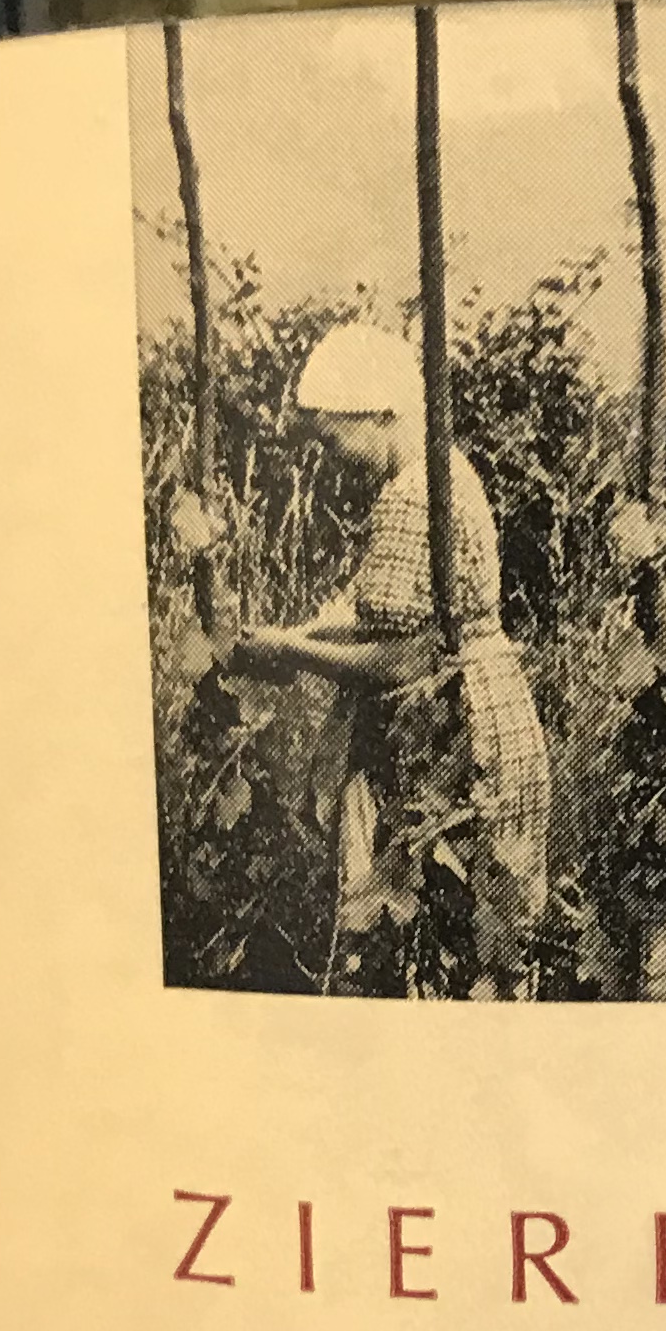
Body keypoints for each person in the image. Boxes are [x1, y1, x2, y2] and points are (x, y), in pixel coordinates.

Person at [230, 327, 551, 986]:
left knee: (428, 934)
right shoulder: (445, 473)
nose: (333, 461)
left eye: (332, 440)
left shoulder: (411, 497)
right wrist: (303, 634)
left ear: (379, 414)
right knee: (494, 936)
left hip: (453, 731)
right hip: (493, 711)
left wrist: (292, 649)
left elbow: (405, 661)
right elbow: (381, 610)